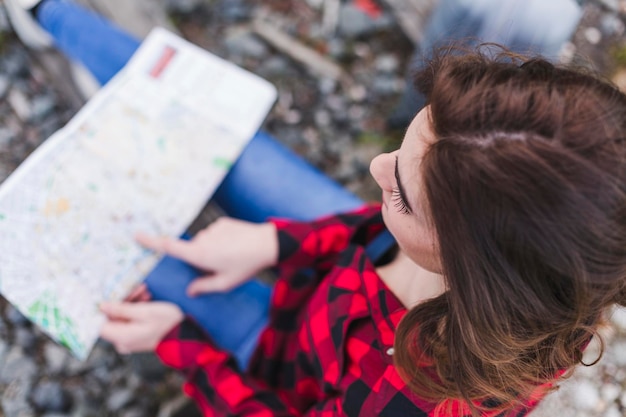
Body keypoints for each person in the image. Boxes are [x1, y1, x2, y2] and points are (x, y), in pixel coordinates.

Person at [6, 1, 626, 416]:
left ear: (476, 268)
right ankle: (48, 9)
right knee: (215, 135)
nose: (373, 169)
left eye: (401, 190)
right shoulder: (534, 256)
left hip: (279, 361)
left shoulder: (416, 401)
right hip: (325, 280)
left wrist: (181, 342)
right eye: (407, 141)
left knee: (106, 250)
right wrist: (276, 244)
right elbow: (371, 223)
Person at [388, 0, 584, 128]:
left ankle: (410, 117)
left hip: (537, 16)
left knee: (434, 61)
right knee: (510, 85)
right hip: (550, 15)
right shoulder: (560, 15)